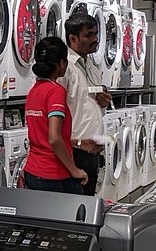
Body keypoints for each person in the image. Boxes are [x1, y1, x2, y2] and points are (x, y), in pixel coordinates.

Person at [22, 36, 88, 194]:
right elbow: (54, 137)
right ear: (62, 64)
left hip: (32, 171)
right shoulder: (56, 91)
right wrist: (74, 170)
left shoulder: (33, 91)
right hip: (54, 174)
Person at [63, 11, 112, 196]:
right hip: (74, 150)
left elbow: (85, 105)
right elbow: (54, 111)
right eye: (89, 35)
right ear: (73, 38)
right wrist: (77, 142)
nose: (95, 39)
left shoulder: (91, 65)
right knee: (74, 208)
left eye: (96, 33)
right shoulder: (64, 67)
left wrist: (103, 103)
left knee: (87, 203)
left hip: (92, 150)